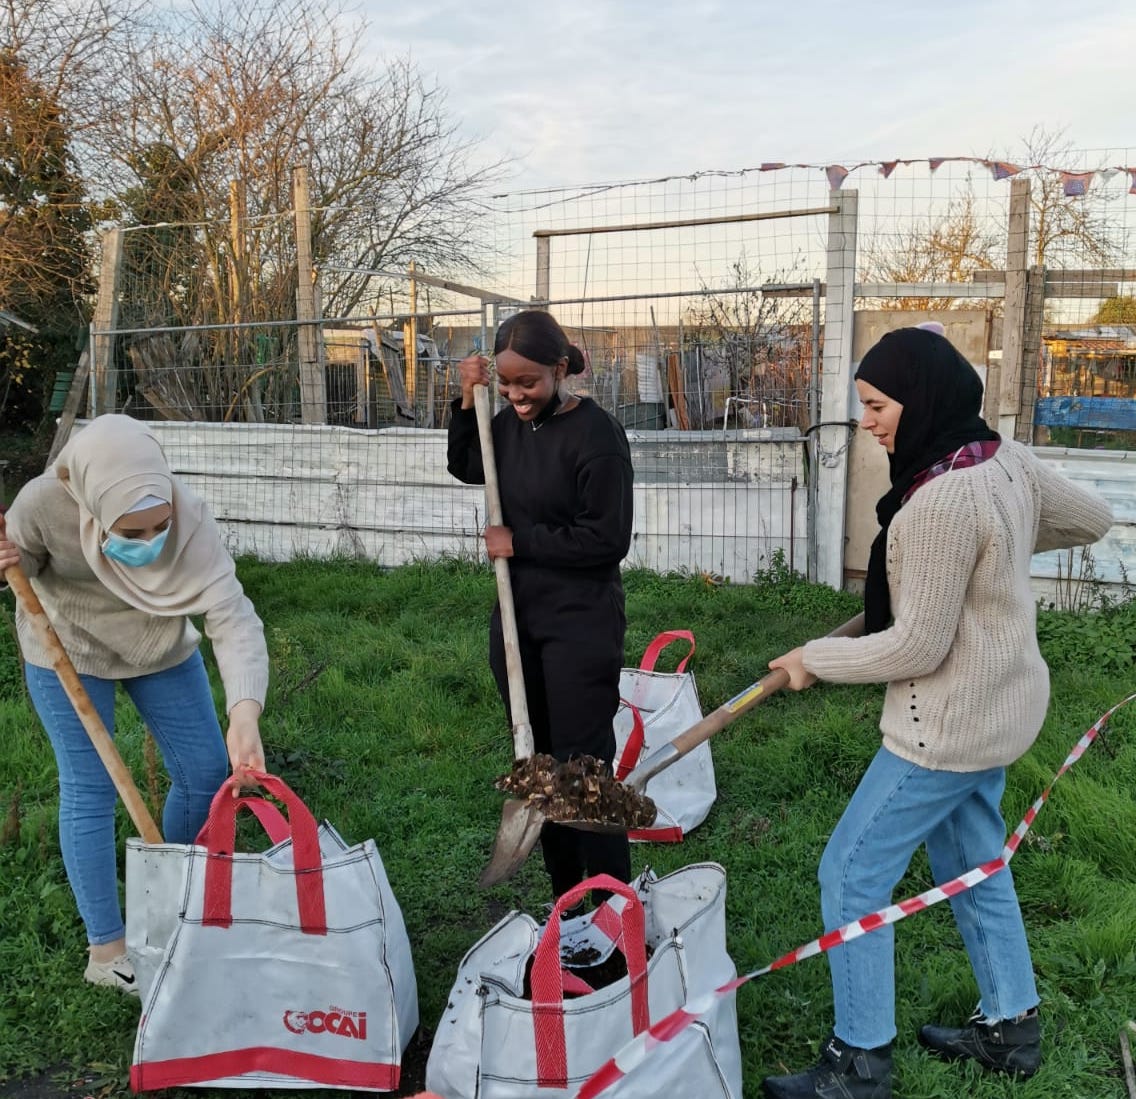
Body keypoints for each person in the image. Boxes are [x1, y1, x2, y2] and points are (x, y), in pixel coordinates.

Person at [762, 327, 1113, 1099]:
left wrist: (811, 659)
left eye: (878, 405)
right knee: (973, 862)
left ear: (920, 400)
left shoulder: (938, 503)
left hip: (945, 725)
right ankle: (1010, 1026)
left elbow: (913, 648)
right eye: (863, 405)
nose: (869, 421)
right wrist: (1008, 534)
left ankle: (859, 1062)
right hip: (1003, 709)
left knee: (850, 874)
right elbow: (1090, 517)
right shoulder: (1000, 458)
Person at [0, 415, 269, 994]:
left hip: (156, 640)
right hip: (66, 641)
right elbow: (20, 566)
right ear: (93, 504)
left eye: (158, 528)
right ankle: (108, 950)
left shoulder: (189, 515)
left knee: (203, 771)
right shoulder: (42, 504)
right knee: (90, 786)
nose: (148, 543)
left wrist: (244, 712)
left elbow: (231, 615)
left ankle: (175, 904)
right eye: (133, 530)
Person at [447, 309, 634, 907]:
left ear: (560, 369)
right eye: (506, 383)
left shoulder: (596, 435)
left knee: (583, 768)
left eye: (528, 382)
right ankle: (567, 899)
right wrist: (464, 400)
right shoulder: (504, 427)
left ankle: (611, 902)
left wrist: (521, 542)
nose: (516, 395)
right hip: (518, 618)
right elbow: (468, 466)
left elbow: (607, 538)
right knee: (540, 765)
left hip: (580, 622)